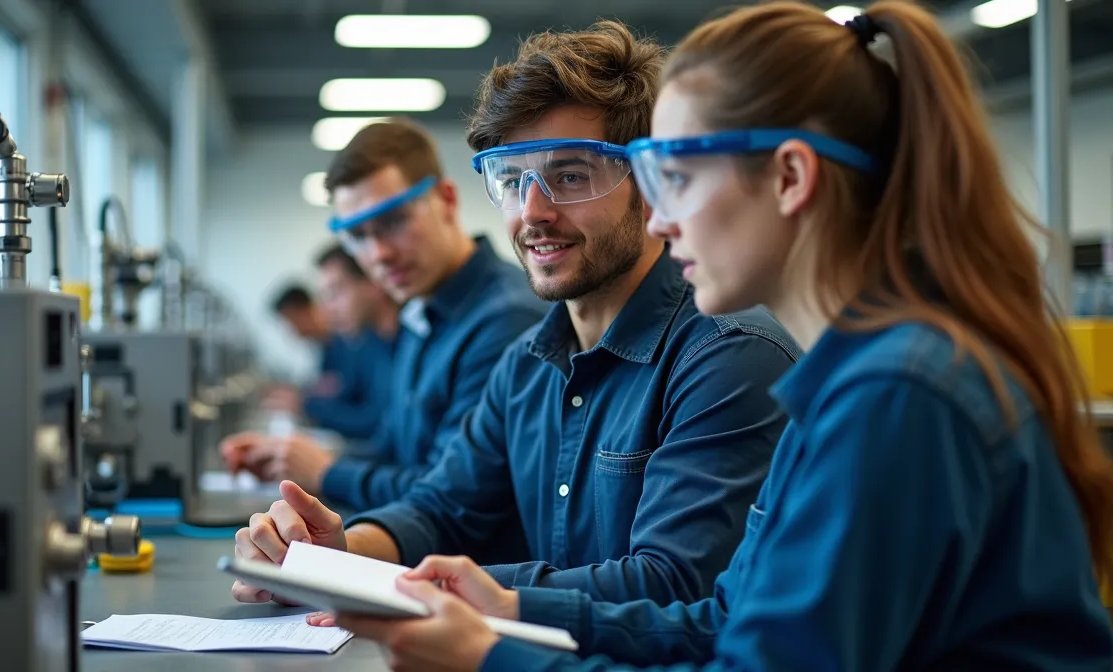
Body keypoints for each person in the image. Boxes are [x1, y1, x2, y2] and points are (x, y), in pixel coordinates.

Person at [328, 3, 1113, 671]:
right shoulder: (845, 382)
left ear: (791, 178)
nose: (662, 219)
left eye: (677, 178)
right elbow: (728, 618)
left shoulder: (895, 394)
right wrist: (505, 606)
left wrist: (496, 654)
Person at [230, 21, 800, 608]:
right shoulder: (526, 363)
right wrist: (336, 557)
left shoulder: (727, 355)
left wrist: (408, 586)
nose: (533, 213)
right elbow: (442, 507)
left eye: (570, 176)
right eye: (511, 179)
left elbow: (670, 585)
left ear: (651, 180)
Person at [221, 119, 548, 510]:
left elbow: (454, 495)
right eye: (358, 236)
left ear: (446, 200)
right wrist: (290, 460)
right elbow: (393, 449)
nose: (377, 254)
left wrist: (326, 473)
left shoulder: (504, 320)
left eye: (394, 222)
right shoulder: (421, 312)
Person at [262, 245, 399, 441]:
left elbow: (376, 422)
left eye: (336, 292)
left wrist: (307, 406)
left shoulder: (393, 344)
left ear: (374, 281)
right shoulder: (373, 343)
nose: (326, 309)